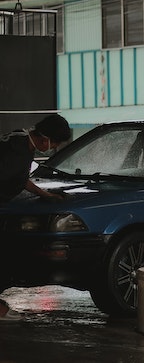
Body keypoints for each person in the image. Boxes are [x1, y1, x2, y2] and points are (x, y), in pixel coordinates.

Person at [0, 113, 71, 321]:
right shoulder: (18, 152)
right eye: (55, 143)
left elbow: (20, 179)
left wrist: (46, 195)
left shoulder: (21, 141)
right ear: (45, 138)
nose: (54, 147)